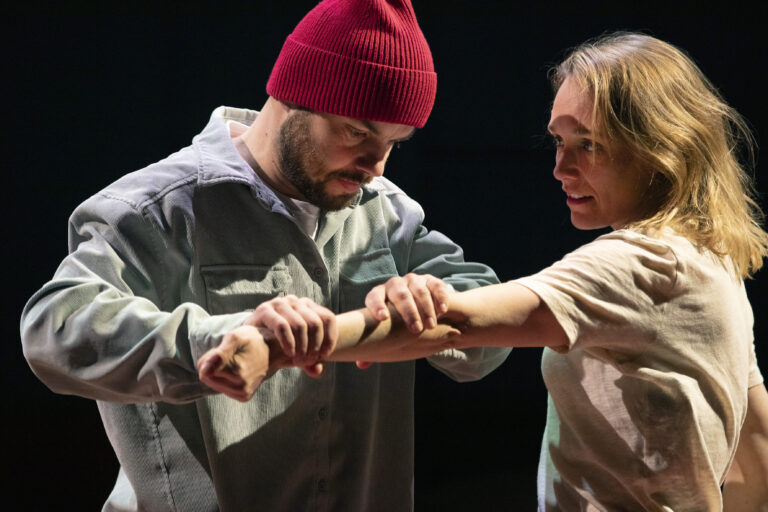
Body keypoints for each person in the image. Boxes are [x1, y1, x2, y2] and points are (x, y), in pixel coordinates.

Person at [205, 32, 768, 510]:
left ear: (658, 150)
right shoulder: (710, 258)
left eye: (588, 145)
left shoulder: (639, 264)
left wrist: (286, 342)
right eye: (557, 141)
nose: (560, 168)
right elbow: (755, 443)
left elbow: (454, 323)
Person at [19, 1, 510, 510]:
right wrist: (219, 336)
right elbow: (52, 328)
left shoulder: (387, 214)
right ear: (292, 99)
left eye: (395, 143)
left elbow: (490, 339)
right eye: (358, 132)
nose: (376, 165)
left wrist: (436, 298)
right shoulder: (156, 210)